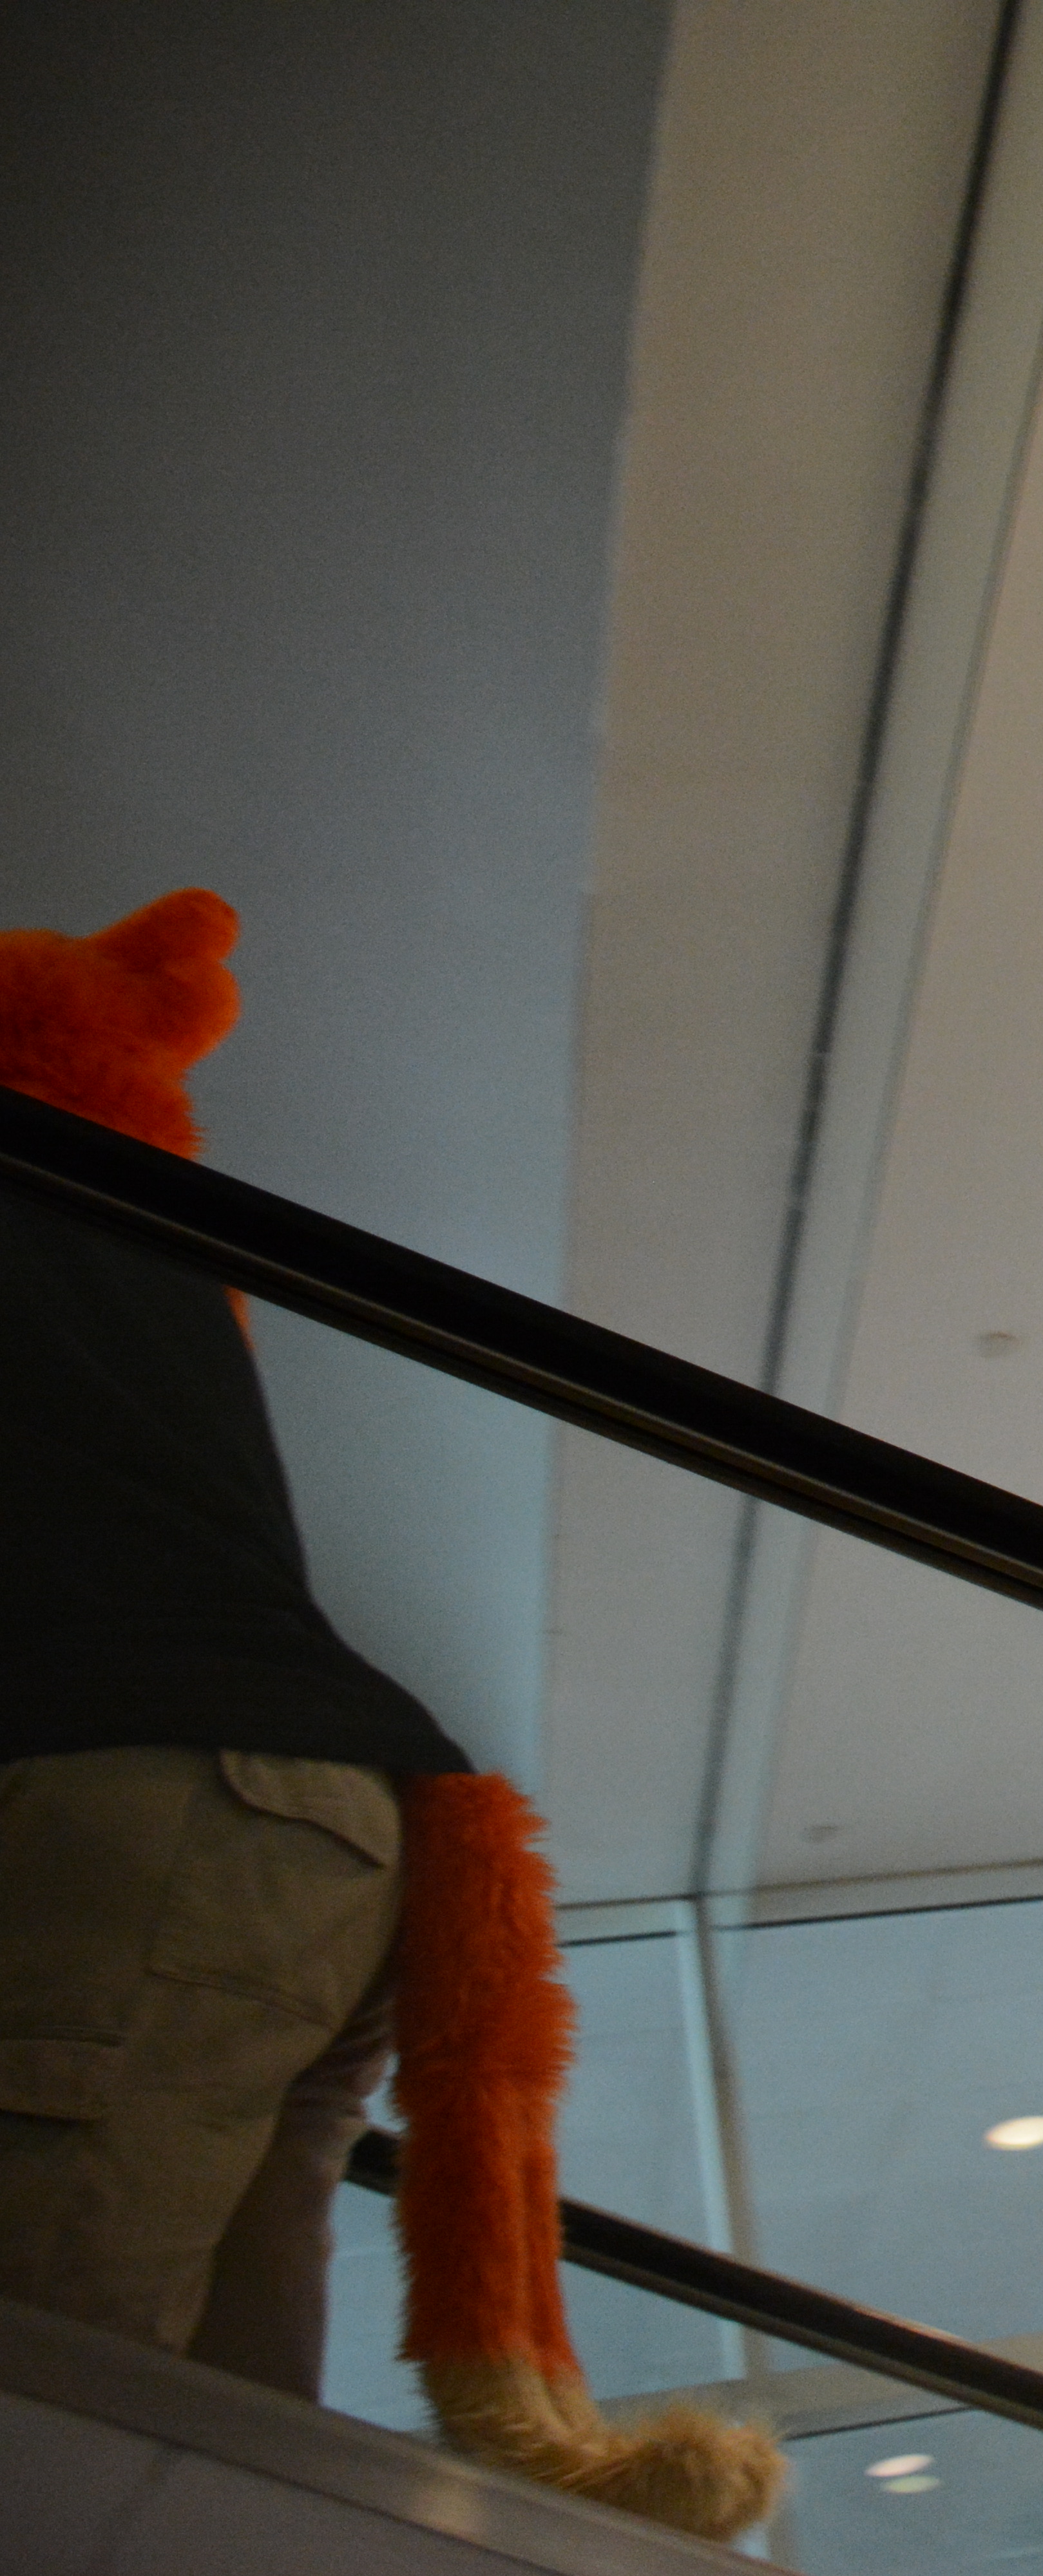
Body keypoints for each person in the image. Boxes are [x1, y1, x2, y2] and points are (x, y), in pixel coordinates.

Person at [0, 888, 463, 2400]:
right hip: (307, 1822)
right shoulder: (119, 1213)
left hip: (141, 1800)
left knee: (57, 2406)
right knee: (223, 2420)